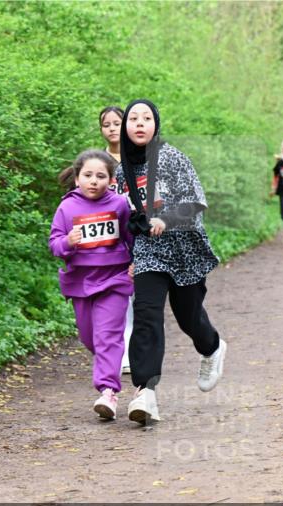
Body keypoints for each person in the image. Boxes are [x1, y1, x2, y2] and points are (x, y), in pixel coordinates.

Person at [115, 99, 227, 424]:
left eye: (146, 118)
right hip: (149, 251)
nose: (139, 123)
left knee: (189, 318)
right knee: (147, 314)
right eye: (133, 118)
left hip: (184, 248)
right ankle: (145, 391)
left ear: (156, 124)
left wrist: (167, 218)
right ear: (125, 127)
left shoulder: (172, 157)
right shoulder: (123, 171)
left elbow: (195, 202)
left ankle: (213, 348)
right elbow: (127, 217)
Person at [49, 150, 133, 420]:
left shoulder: (119, 205)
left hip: (114, 280)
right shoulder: (67, 208)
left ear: (110, 180)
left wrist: (135, 264)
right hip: (81, 282)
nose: (93, 181)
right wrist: (68, 243)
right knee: (90, 337)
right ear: (76, 179)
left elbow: (132, 238)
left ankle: (108, 392)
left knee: (107, 336)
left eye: (100, 176)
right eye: (87, 175)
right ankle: (110, 361)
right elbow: (55, 244)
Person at [99, 106, 134, 374]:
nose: (111, 128)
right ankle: (118, 349)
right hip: (108, 233)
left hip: (136, 230)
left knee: (135, 289)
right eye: (106, 124)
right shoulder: (98, 161)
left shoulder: (138, 156)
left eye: (116, 123)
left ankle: (132, 347)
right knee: (117, 291)